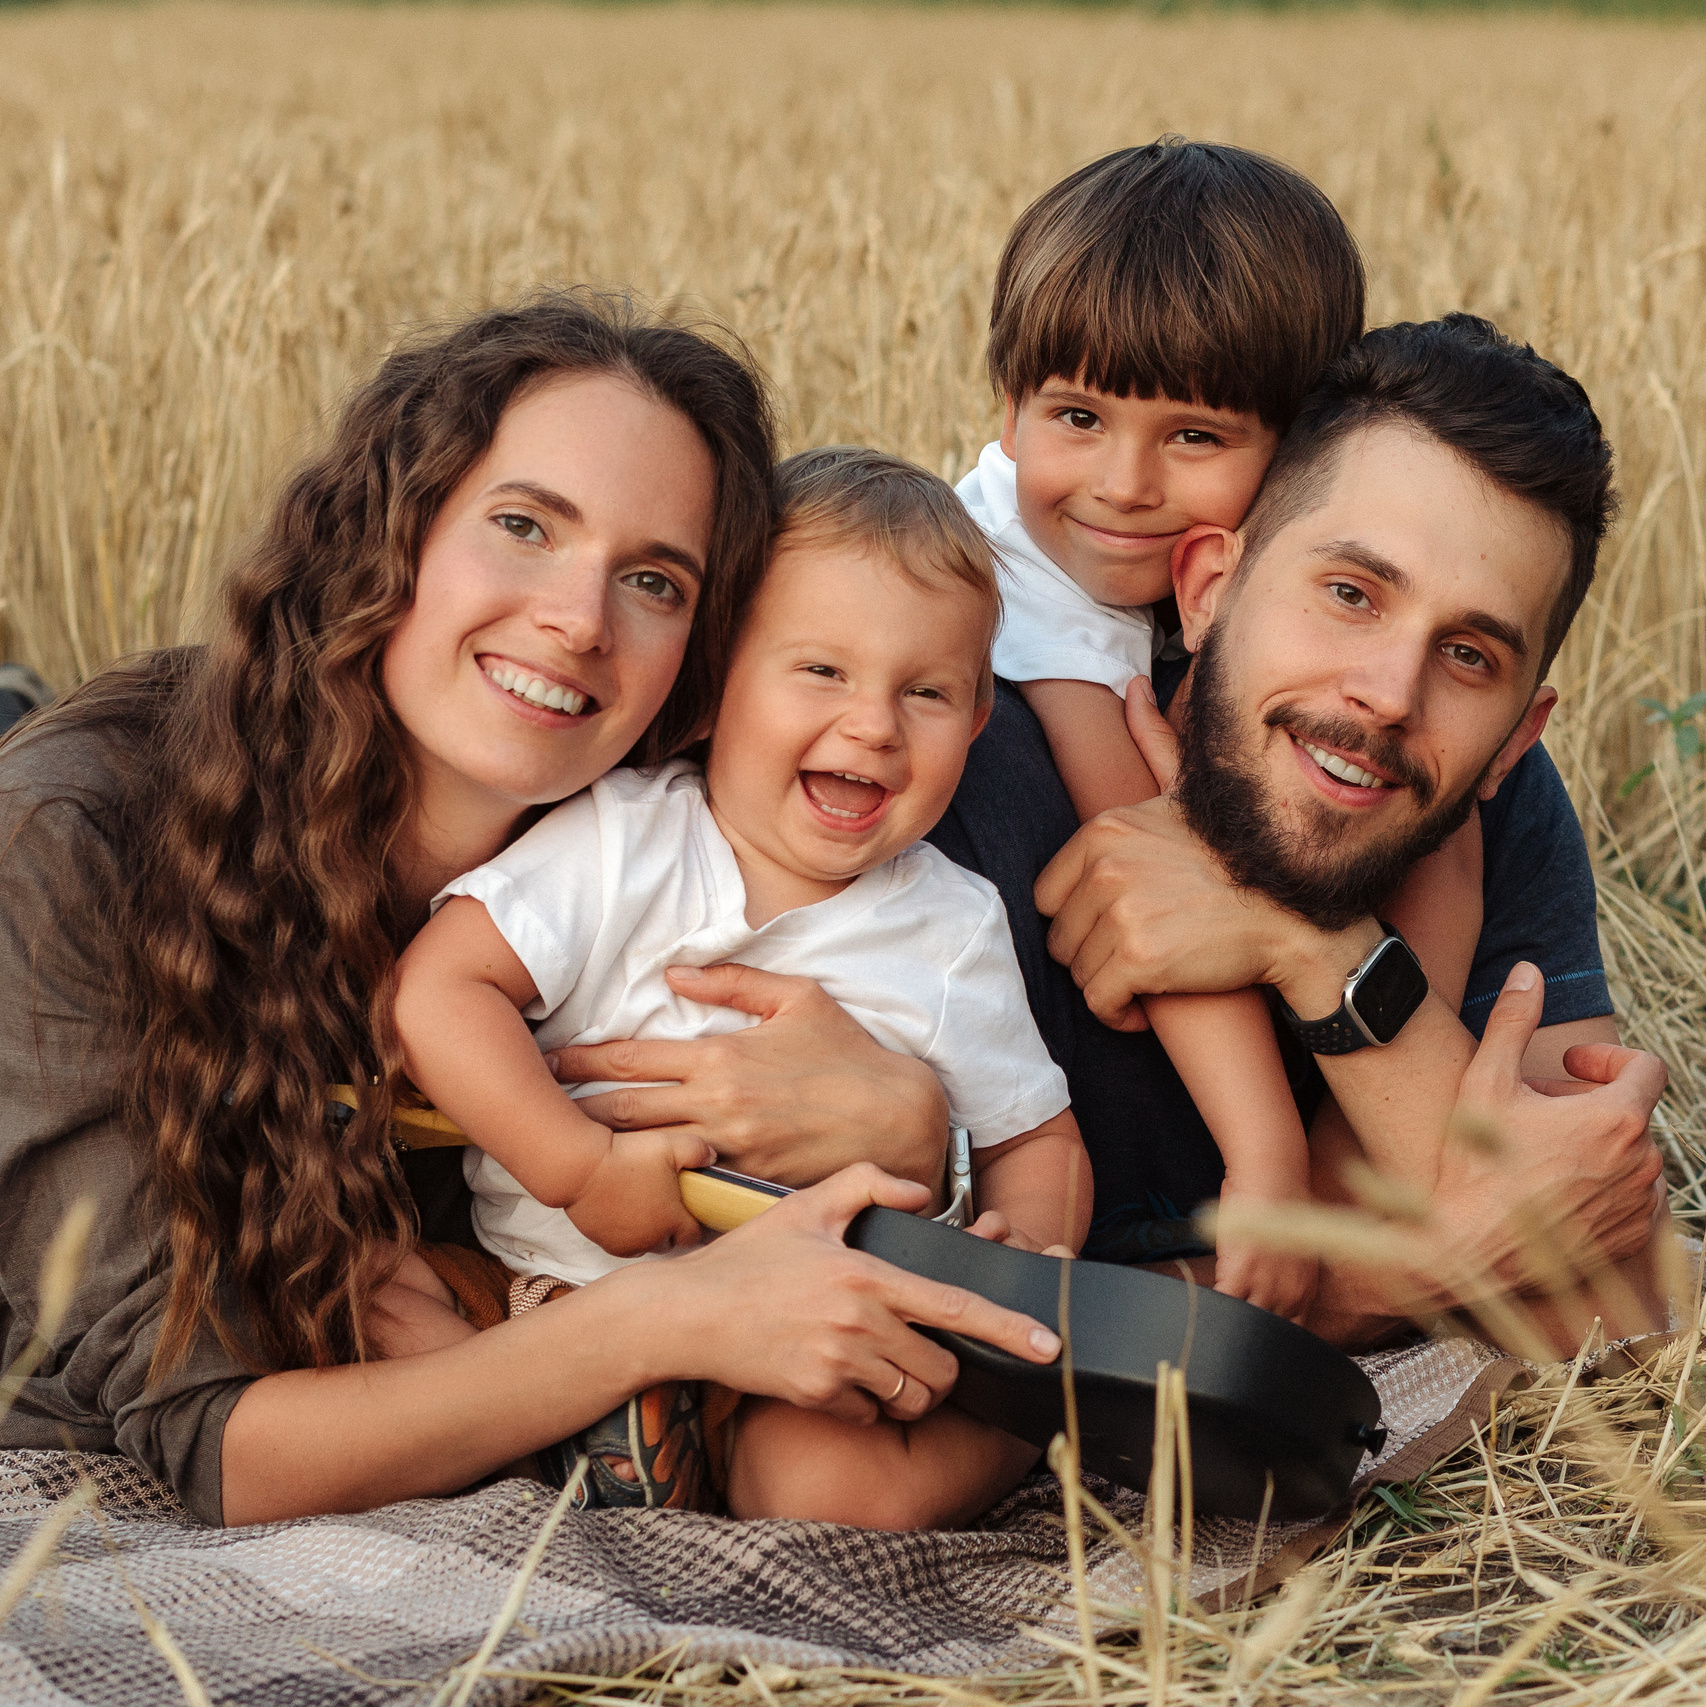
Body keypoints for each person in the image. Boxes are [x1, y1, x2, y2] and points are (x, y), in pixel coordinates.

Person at [0, 292, 1063, 1529]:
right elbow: (218, 1448)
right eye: (521, 525)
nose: (576, 619)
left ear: (701, 659)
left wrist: (917, 1128)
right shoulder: (71, 844)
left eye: (654, 581)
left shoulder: (674, 826)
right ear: (385, 532)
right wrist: (665, 1320)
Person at [935, 311, 1668, 1351]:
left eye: (1467, 655)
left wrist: (1312, 950)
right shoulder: (967, 762)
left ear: (1515, 734)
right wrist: (1430, 1270)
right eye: (1348, 594)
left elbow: (1620, 1301)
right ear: (1206, 586)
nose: (1387, 696)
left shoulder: (1468, 798)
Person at [394, 446, 1088, 1527]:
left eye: (928, 692)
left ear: (978, 724)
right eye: (821, 671)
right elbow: (441, 990)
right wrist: (577, 1168)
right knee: (366, 1306)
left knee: (824, 1491)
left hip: (810, 1331)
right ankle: (582, 1440)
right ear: (717, 680)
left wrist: (1020, 1269)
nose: (873, 724)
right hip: (537, 1298)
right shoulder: (626, 840)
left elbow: (1035, 1141)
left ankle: (1021, 1426)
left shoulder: (946, 929)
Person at [954, 139, 1482, 1323]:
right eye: (1075, 416)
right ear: (1007, 409)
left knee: (1447, 839)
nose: (1121, 484)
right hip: (1036, 1124)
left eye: (1192, 436)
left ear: (1298, 446)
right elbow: (1152, 883)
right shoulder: (1031, 593)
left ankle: (1379, 1150)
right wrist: (1263, 1165)